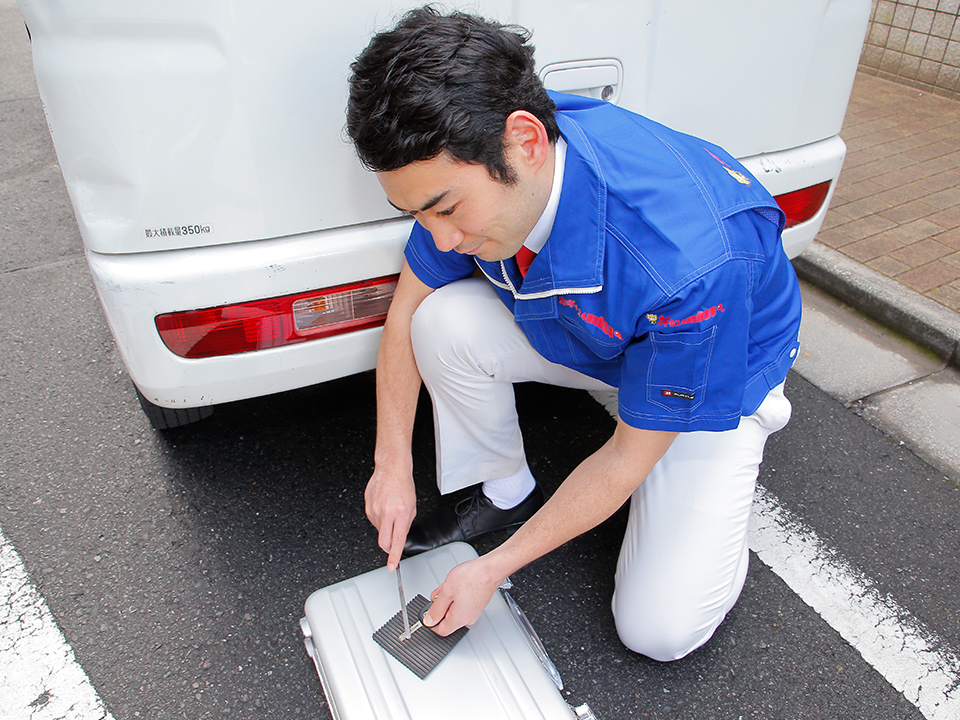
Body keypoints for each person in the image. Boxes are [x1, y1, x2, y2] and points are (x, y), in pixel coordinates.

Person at [346, 6, 800, 662]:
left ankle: (718, 511)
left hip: (719, 356)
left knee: (659, 630)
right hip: (602, 329)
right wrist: (391, 466)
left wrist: (491, 569)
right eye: (417, 212)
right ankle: (504, 488)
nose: (438, 237)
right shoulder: (479, 141)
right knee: (437, 320)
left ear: (525, 142)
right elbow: (403, 315)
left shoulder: (691, 264)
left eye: (445, 208)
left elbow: (623, 461)